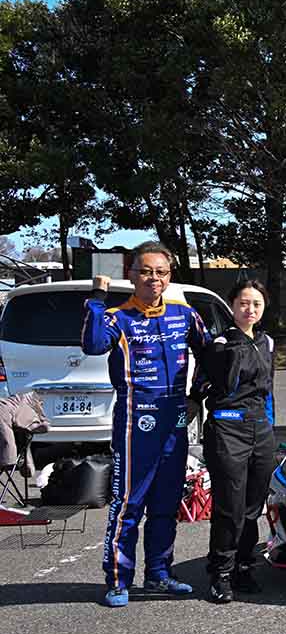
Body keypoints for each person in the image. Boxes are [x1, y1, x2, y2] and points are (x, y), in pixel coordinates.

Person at [82, 242, 208, 607]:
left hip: (175, 421)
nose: (154, 278)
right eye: (146, 271)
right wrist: (97, 295)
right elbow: (92, 345)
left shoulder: (184, 315)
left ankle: (159, 574)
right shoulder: (117, 317)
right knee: (128, 504)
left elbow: (209, 352)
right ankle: (119, 579)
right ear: (132, 275)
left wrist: (198, 393)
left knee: (166, 503)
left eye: (161, 272)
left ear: (169, 277)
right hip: (136, 422)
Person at [194, 280, 278, 604]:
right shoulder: (220, 342)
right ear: (232, 306)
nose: (250, 309)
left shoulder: (267, 342)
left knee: (253, 507)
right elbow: (206, 386)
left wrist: (270, 426)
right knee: (230, 507)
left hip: (261, 429)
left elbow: (269, 389)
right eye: (244, 303)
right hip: (228, 429)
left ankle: (244, 566)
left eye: (256, 303)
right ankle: (221, 573)